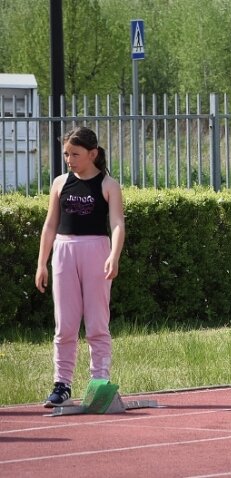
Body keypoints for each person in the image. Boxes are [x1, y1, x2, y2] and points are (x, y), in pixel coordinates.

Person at [35, 126, 125, 408]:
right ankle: (61, 384)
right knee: (65, 324)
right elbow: (50, 225)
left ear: (93, 154)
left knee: (97, 322)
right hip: (63, 252)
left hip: (96, 251)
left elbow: (117, 223)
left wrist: (114, 255)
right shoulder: (60, 183)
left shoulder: (108, 185)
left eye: (75, 154)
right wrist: (42, 263)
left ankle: (99, 382)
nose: (69, 159)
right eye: (65, 154)